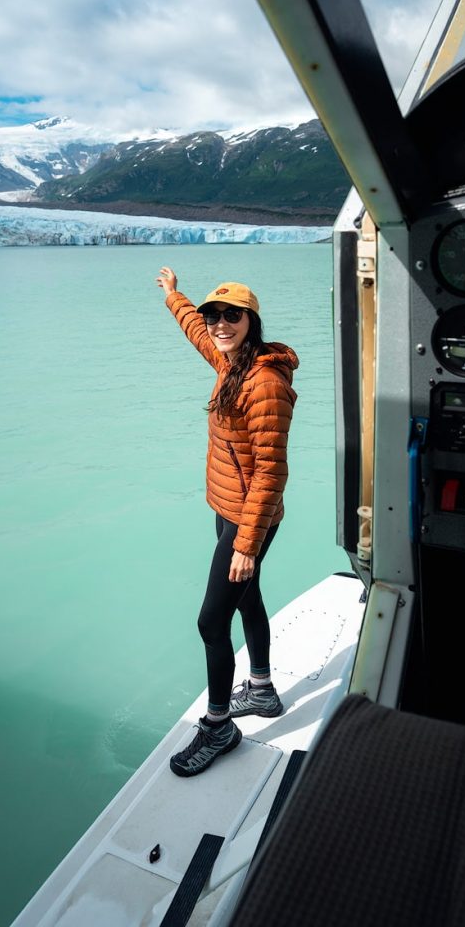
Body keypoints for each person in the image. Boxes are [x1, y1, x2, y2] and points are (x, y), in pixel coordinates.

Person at [156, 267, 299, 777]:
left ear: (251, 321)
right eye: (217, 315)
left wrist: (245, 544)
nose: (219, 324)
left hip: (247, 519)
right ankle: (261, 690)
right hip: (229, 509)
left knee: (211, 623)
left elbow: (271, 472)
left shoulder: (263, 384)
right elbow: (196, 329)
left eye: (231, 316)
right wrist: (176, 297)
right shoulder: (230, 362)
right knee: (249, 597)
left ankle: (219, 726)